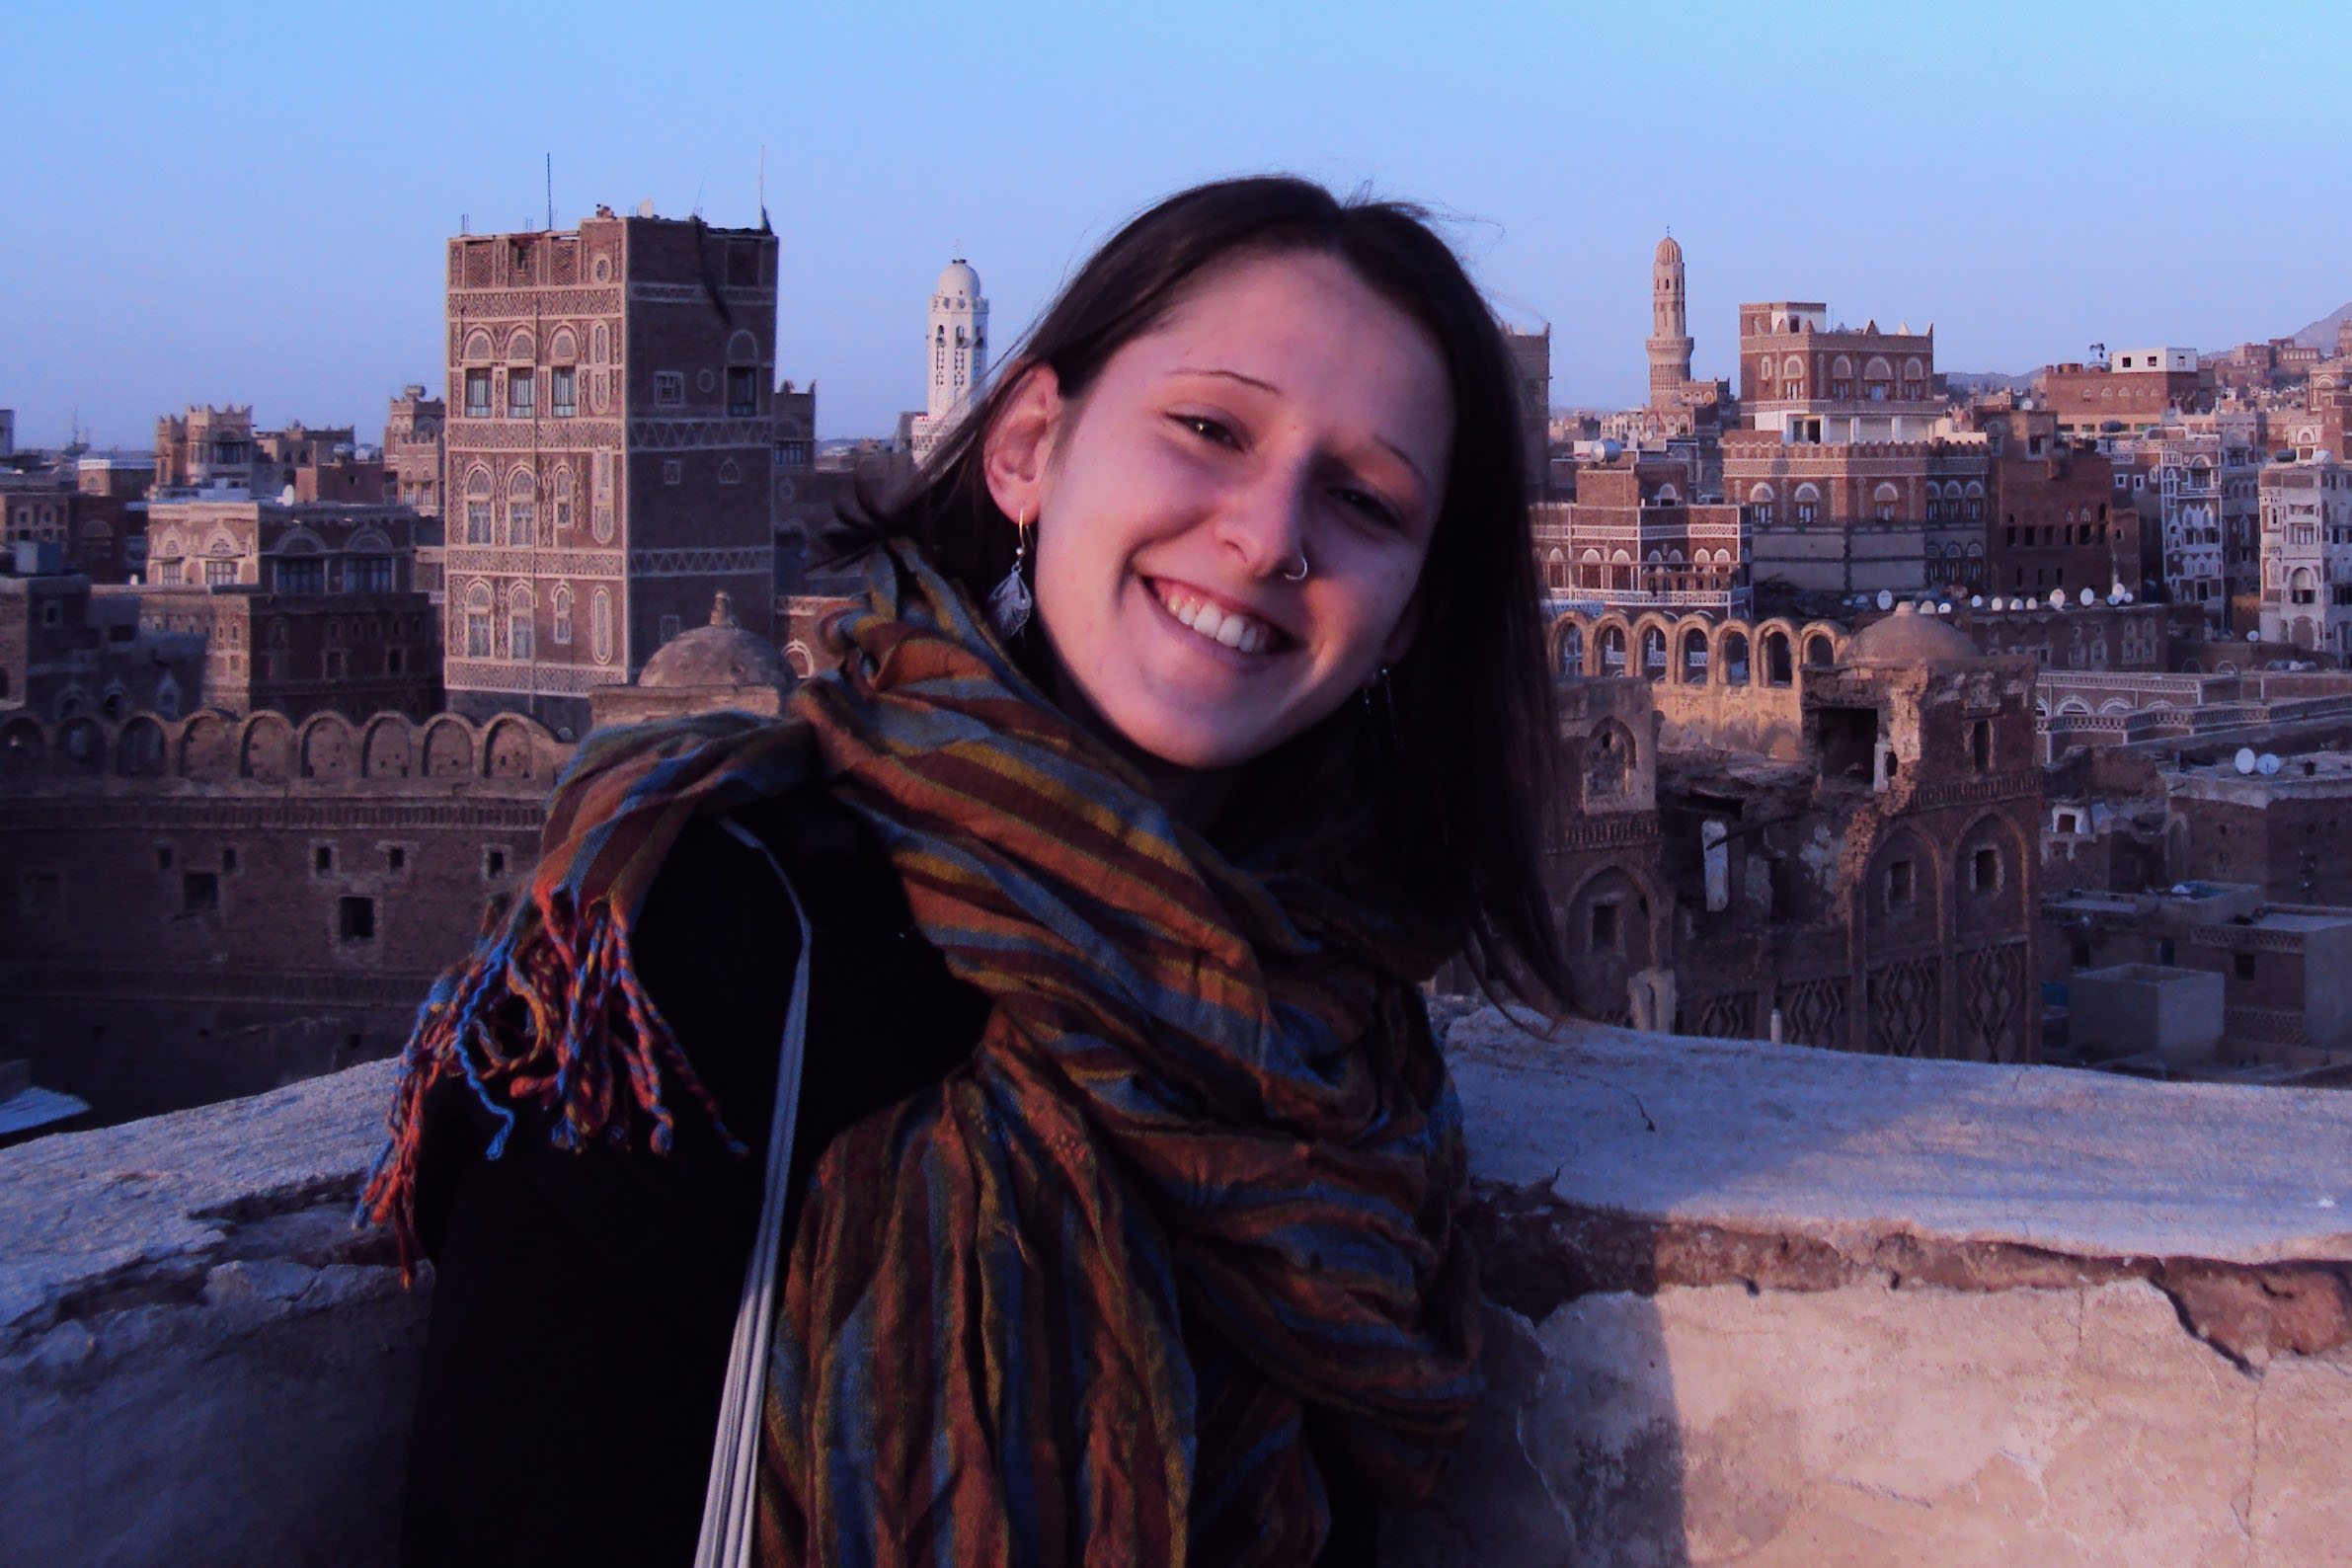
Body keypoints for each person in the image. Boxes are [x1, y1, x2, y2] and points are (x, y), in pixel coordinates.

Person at [367, 175, 1569, 1568]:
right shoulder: (710, 945)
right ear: (1026, 448)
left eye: (1362, 499)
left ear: (1412, 616)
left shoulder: (1338, 1026)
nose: (1267, 534)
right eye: (1208, 429)